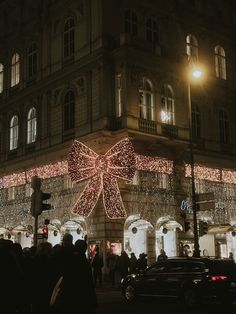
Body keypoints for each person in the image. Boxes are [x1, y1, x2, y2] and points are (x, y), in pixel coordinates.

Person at [59, 239, 97, 314]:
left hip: (71, 292)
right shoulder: (83, 260)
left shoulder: (70, 258)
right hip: (82, 293)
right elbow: (88, 280)